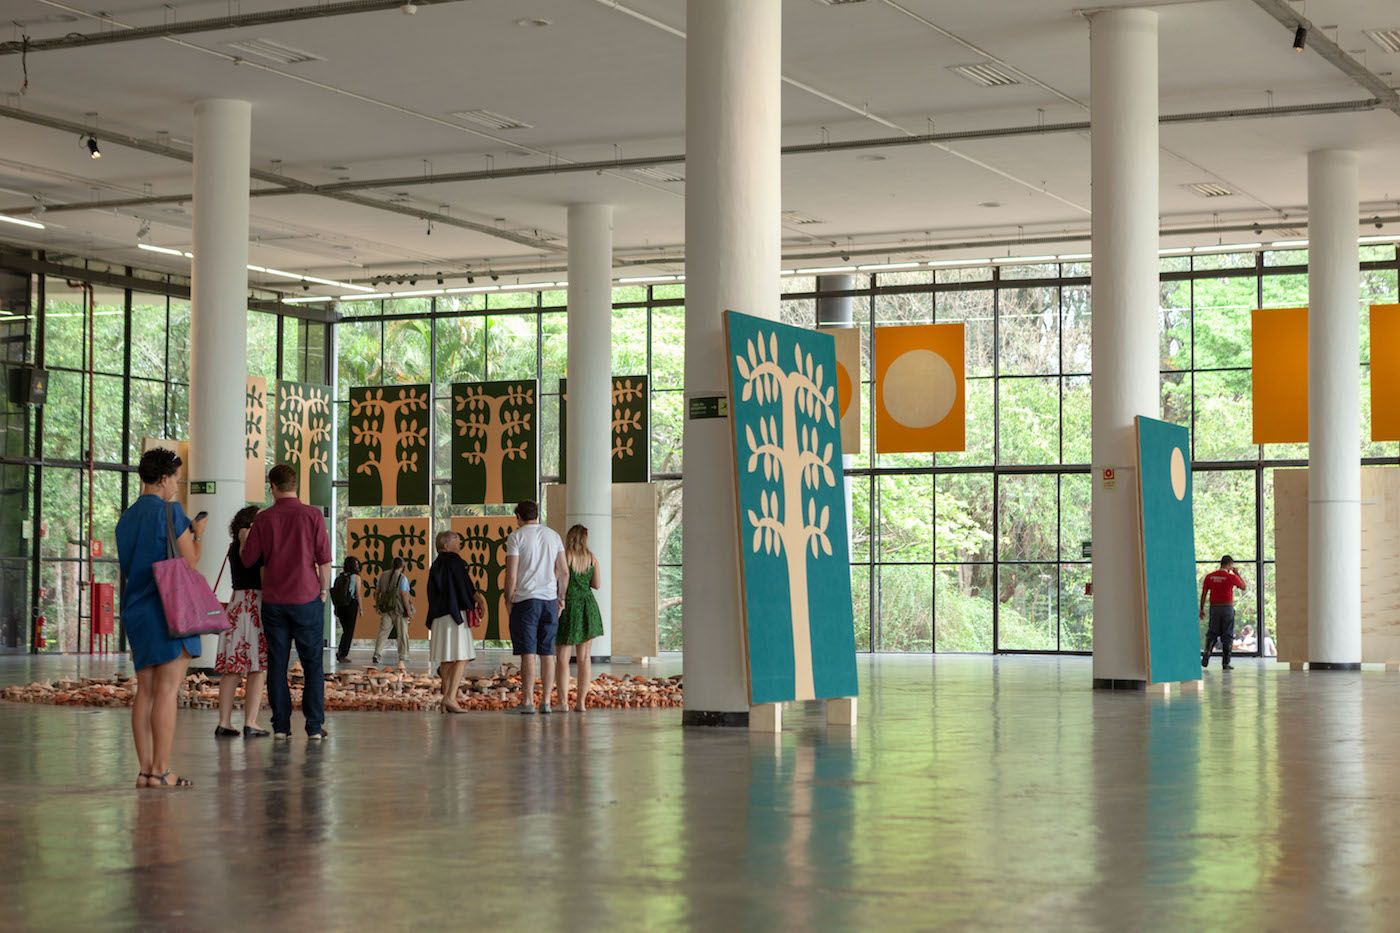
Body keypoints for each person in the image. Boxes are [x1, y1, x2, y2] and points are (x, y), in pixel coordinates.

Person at [116, 447, 207, 787]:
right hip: (170, 610)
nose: (176, 487)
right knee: (168, 691)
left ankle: (144, 770)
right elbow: (191, 560)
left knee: (146, 692)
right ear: (164, 478)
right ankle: (162, 771)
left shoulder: (126, 518)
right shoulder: (171, 512)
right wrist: (198, 534)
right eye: (176, 480)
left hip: (137, 609)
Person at [241, 464, 333, 740]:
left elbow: (248, 560)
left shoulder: (264, 519)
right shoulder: (313, 515)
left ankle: (281, 726)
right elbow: (324, 561)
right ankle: (314, 727)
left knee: (277, 664)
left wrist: (245, 539)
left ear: (272, 487)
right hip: (306, 598)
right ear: (296, 485)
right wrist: (323, 591)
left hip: (274, 602)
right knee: (312, 664)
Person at [504, 500, 567, 714]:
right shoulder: (553, 536)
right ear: (537, 515)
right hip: (550, 601)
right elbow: (564, 571)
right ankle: (546, 702)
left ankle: (528, 701)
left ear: (519, 517)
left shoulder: (516, 537)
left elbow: (511, 574)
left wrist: (508, 598)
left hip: (526, 601)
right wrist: (561, 597)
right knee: (548, 653)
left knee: (528, 653)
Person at [214, 506, 269, 738]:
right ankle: (251, 722)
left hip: (236, 605)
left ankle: (224, 722)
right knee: (257, 668)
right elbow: (262, 578)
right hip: (255, 605)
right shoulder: (257, 545)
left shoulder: (232, 546)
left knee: (232, 669)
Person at [426, 530, 487, 714]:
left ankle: (446, 698)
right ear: (445, 545)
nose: (459, 543)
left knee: (446, 659)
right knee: (462, 656)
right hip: (454, 615)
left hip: (439, 616)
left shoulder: (436, 564)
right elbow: (464, 585)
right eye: (456, 540)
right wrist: (478, 600)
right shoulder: (454, 560)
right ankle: (450, 697)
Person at [555, 524, 604, 713]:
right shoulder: (592, 558)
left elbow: (555, 580)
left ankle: (563, 702)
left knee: (562, 658)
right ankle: (581, 703)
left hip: (567, 606)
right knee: (584, 658)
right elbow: (597, 584)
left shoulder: (564, 556)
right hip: (587, 607)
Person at [1200, 555, 1247, 670]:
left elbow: (1204, 593)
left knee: (1212, 632)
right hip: (1227, 608)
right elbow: (1243, 587)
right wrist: (1237, 573)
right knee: (1227, 634)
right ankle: (1225, 663)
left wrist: (1201, 609)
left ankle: (1206, 654)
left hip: (1214, 608)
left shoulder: (1210, 576)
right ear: (1230, 565)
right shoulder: (1231, 577)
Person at [372, 556, 412, 666]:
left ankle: (377, 654)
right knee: (402, 633)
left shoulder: (383, 575)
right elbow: (404, 595)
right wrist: (408, 610)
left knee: (383, 632)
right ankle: (403, 655)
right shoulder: (402, 578)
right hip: (399, 610)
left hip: (386, 609)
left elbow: (376, 592)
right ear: (402, 566)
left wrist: (378, 605)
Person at [331, 556, 362, 664]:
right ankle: (342, 654)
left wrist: (335, 607)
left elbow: (335, 593)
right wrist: (361, 608)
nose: (357, 565)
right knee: (349, 631)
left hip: (340, 606)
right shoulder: (356, 577)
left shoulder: (339, 577)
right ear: (354, 566)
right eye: (356, 564)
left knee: (345, 631)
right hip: (351, 605)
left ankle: (341, 652)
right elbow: (358, 594)